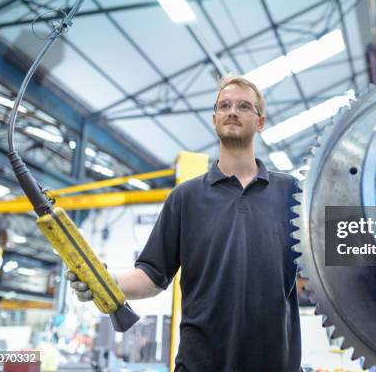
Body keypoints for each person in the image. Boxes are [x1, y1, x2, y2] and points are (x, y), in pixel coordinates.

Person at [67, 74, 302, 371]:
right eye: (225, 105)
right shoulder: (185, 197)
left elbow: (343, 252)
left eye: (244, 106)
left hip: (275, 364)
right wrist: (106, 283)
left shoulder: (292, 192)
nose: (232, 111)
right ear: (214, 119)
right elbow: (152, 276)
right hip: (200, 363)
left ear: (261, 121)